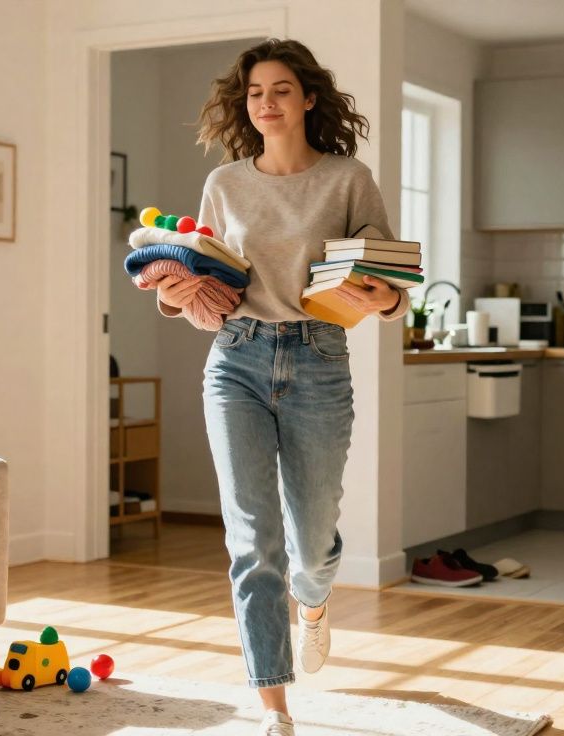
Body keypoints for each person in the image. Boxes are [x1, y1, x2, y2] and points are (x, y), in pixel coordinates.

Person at [154, 38, 409, 736]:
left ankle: (314, 602)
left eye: (281, 90)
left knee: (313, 540)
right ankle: (275, 707)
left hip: (319, 359)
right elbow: (206, 287)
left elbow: (389, 283)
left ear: (308, 99)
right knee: (251, 540)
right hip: (235, 359)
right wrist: (176, 294)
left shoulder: (348, 180)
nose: (265, 102)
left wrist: (386, 299)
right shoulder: (225, 184)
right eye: (255, 92)